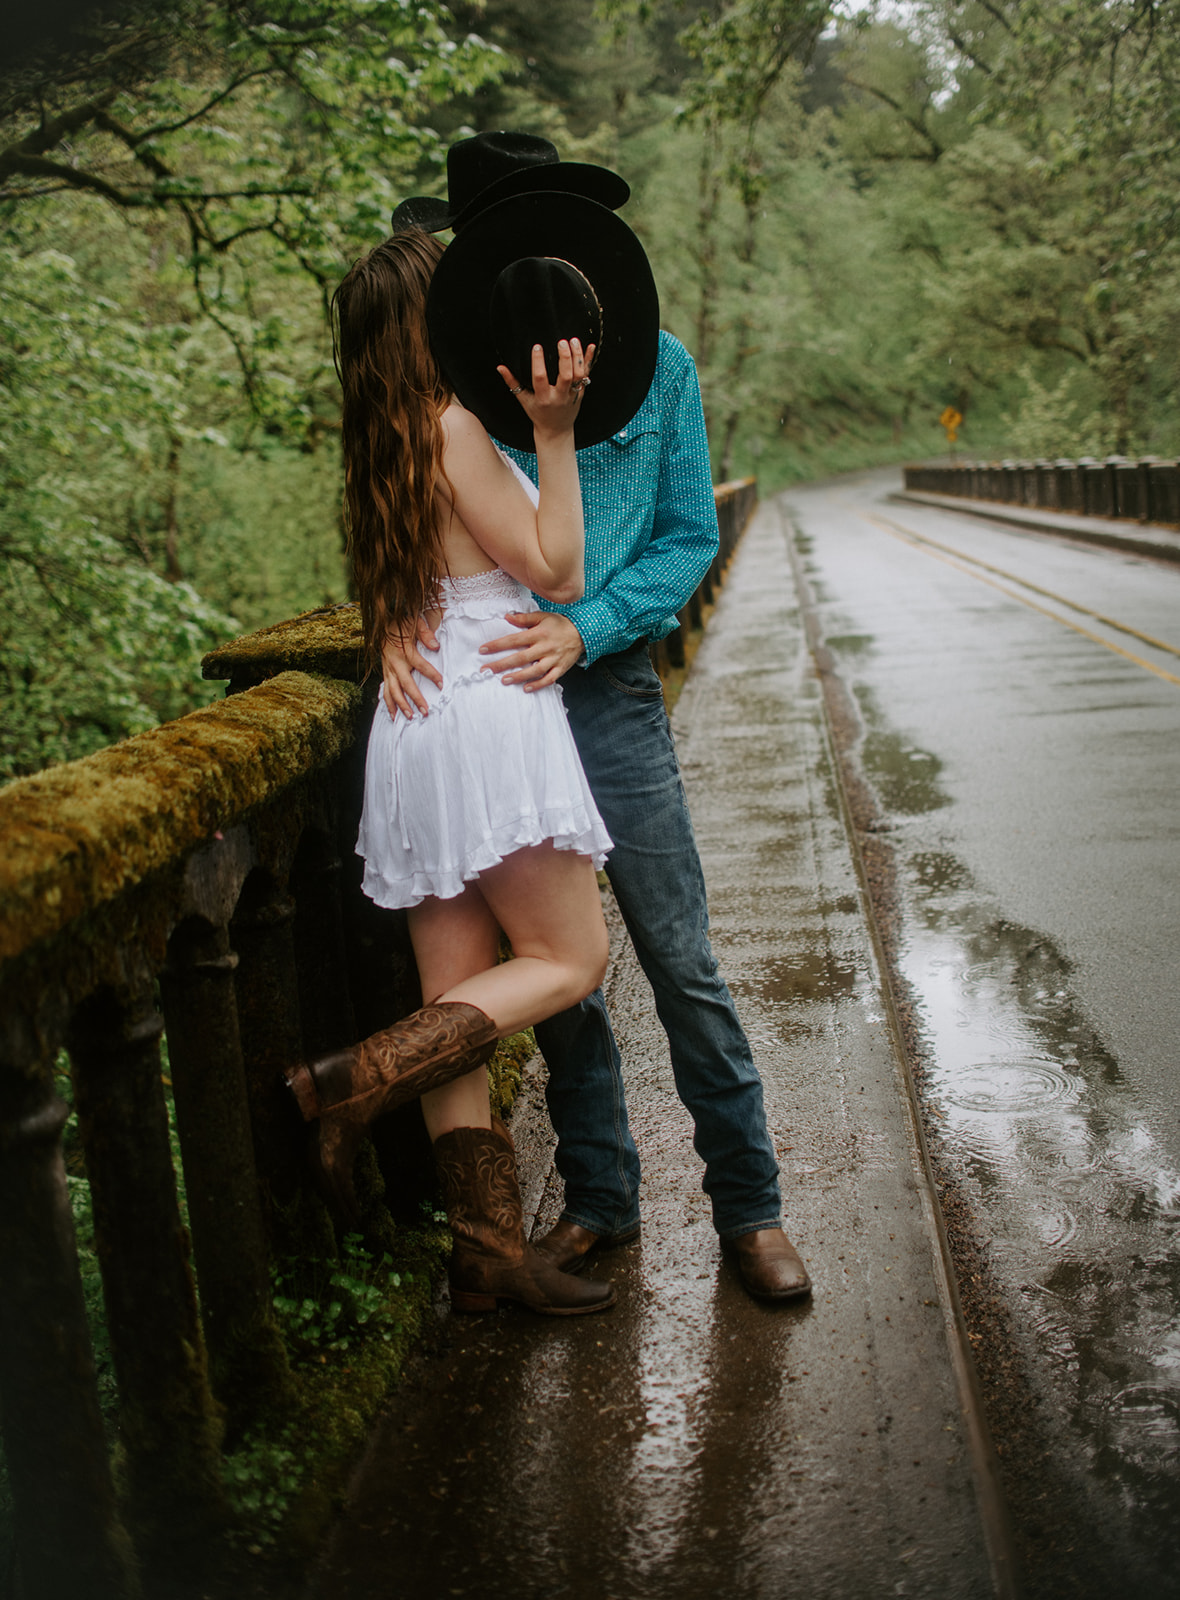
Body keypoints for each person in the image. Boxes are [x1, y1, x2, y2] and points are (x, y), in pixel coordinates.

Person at [383, 134, 813, 1303]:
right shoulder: (453, 376)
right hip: (495, 712)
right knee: (557, 981)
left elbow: (686, 535)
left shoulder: (659, 367)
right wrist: (391, 619)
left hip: (608, 695)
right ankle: (600, 1202)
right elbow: (413, 520)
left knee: (681, 962)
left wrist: (592, 624)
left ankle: (751, 1210)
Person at [285, 224, 639, 1317]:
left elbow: (400, 592)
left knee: (458, 995)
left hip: (417, 723)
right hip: (489, 710)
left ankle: (483, 1252)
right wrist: (555, 432)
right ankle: (354, 1079)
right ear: (427, 326)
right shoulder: (454, 427)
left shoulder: (377, 440)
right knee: (571, 958)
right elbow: (556, 567)